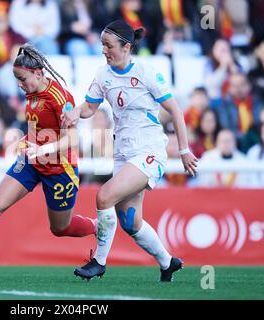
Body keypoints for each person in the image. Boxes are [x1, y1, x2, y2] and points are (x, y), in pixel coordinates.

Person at [62, 20, 198, 282]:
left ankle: (98, 262)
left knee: (104, 197)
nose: (103, 50)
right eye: (102, 44)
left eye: (108, 45)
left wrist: (183, 151)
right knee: (130, 222)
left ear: (126, 47)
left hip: (149, 151)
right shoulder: (103, 75)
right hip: (122, 152)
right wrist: (76, 113)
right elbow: (90, 108)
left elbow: (176, 111)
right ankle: (168, 262)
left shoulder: (147, 72)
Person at [0, 43, 96, 254]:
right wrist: (24, 142)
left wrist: (43, 149)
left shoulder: (60, 98)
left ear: (38, 73)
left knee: (60, 228)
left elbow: (73, 139)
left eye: (22, 79)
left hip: (60, 169)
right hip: (32, 161)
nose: (20, 85)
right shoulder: (32, 91)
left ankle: (98, 226)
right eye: (17, 80)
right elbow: (37, 128)